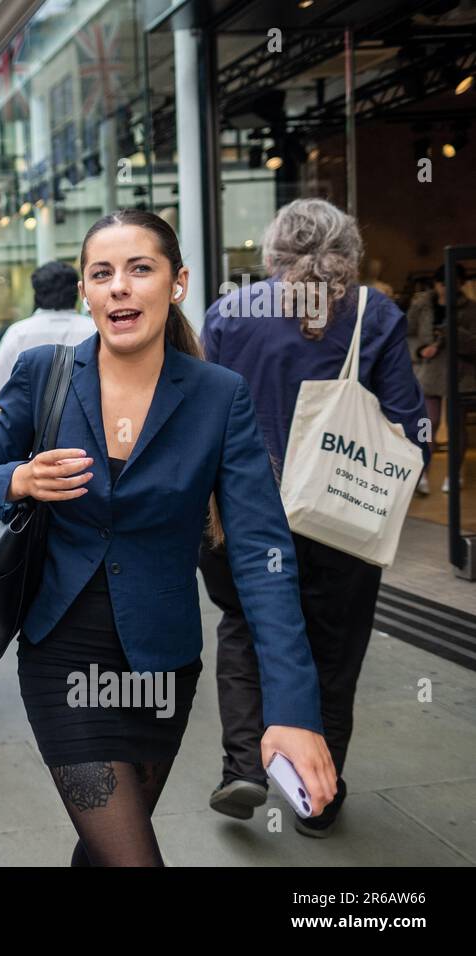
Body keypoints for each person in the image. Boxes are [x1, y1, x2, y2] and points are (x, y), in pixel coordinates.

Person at [0, 209, 337, 867]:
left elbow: (262, 556)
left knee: (106, 848)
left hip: (162, 664)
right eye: (102, 273)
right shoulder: (42, 374)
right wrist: (20, 479)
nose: (120, 287)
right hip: (63, 657)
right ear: (85, 290)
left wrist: (294, 710)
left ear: (177, 283)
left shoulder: (219, 397)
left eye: (141, 269)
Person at [201, 199, 430, 835]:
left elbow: (202, 416)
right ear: (348, 251)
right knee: (335, 648)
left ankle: (243, 767)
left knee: (244, 630)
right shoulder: (374, 313)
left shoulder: (229, 313)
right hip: (340, 518)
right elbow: (410, 425)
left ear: (272, 253)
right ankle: (317, 799)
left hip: (243, 515)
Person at [408, 263, 474, 495]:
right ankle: (421, 473)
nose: (445, 288)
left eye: (451, 283)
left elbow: (473, 344)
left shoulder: (469, 308)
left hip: (460, 374)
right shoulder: (422, 305)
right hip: (429, 372)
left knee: (456, 428)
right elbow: (408, 333)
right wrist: (420, 349)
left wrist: (452, 332)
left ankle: (454, 473)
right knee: (427, 423)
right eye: (441, 283)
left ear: (460, 283)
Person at [0, 261, 91, 393]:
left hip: (29, 413)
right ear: (77, 291)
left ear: (36, 293)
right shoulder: (95, 329)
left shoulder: (18, 333)